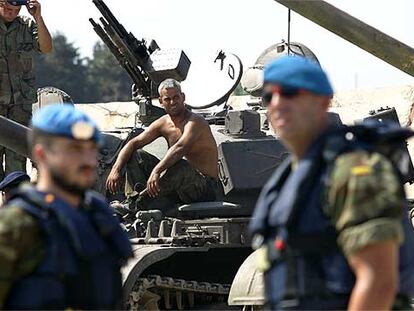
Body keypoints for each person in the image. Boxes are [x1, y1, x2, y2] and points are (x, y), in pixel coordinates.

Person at [249, 55, 414, 310]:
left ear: (323, 101)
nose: (278, 103)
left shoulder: (352, 169)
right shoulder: (290, 178)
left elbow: (378, 282)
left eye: (291, 93)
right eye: (269, 97)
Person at [0, 104, 133, 309]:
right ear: (42, 155)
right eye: (74, 150)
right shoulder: (16, 224)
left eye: (91, 149)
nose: (88, 161)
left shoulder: (99, 217)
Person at [106, 78, 221, 213]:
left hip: (203, 188)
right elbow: (133, 143)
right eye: (167, 99)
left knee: (182, 166)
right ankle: (133, 198)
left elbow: (180, 148)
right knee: (137, 154)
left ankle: (135, 205)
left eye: (176, 97)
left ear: (183, 97)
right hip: (176, 188)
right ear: (161, 102)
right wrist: (116, 169)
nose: (172, 102)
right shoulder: (163, 123)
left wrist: (156, 171)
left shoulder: (195, 122)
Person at [0, 0, 52, 180]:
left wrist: (37, 17)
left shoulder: (28, 26)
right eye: (7, 8)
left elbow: (46, 47)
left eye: (15, 10)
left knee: (16, 169)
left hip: (19, 108)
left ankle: (14, 206)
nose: (11, 13)